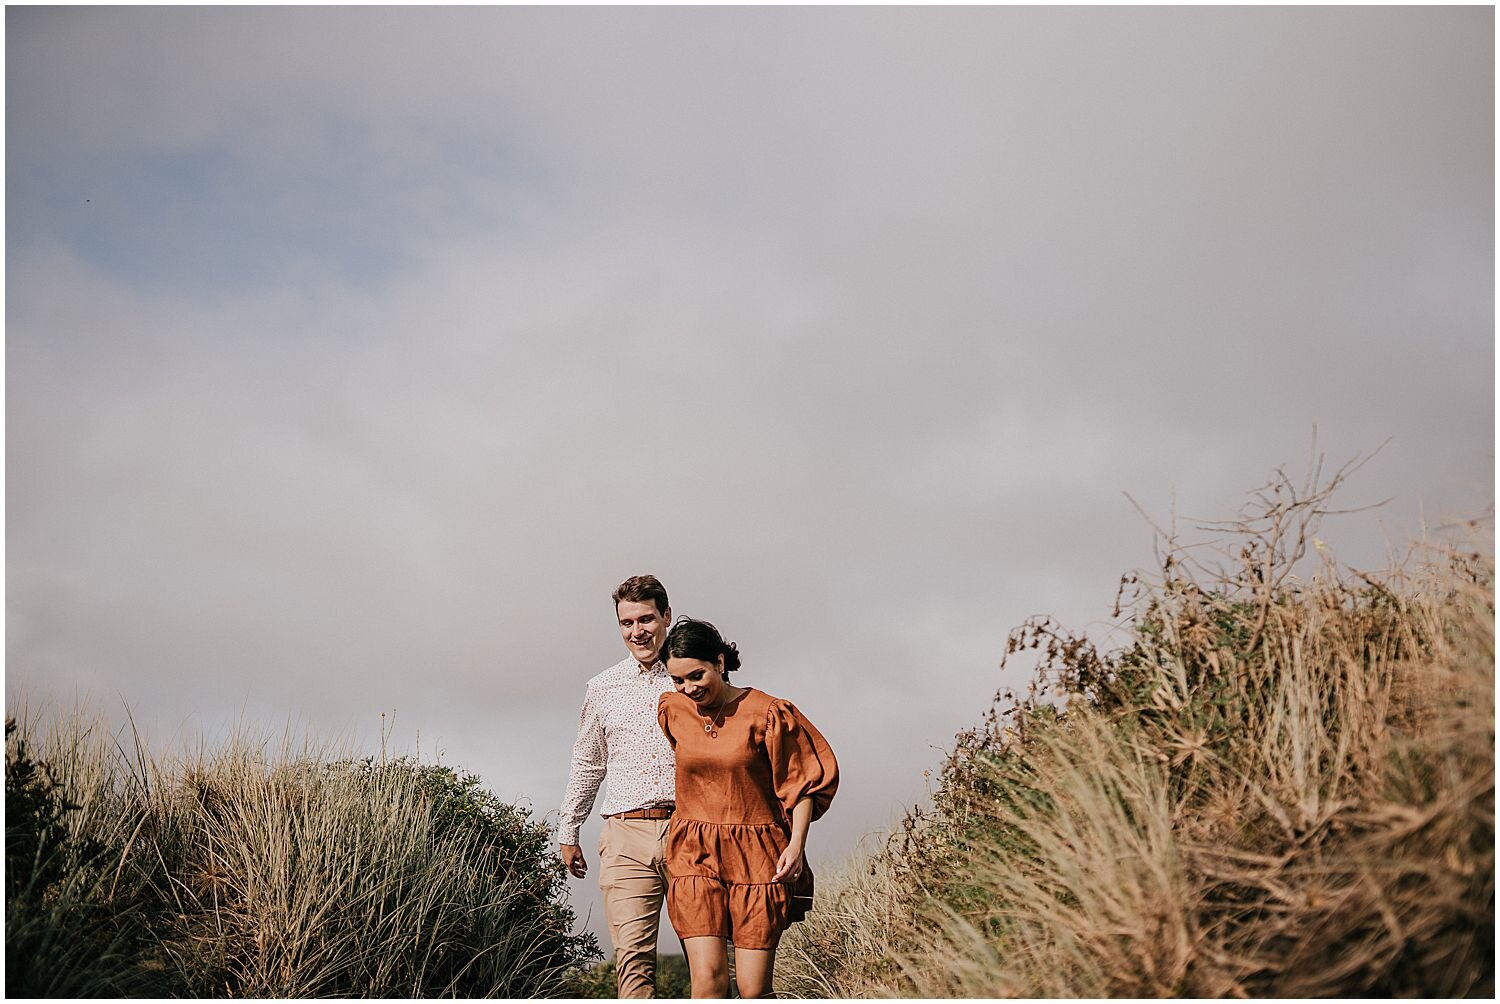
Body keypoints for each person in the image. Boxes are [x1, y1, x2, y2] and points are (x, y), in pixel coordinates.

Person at [656, 617, 839, 999]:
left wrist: (797, 845)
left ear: (719, 663)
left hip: (757, 854)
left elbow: (802, 784)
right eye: (678, 680)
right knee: (707, 981)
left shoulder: (768, 713)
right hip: (694, 851)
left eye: (696, 675)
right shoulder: (673, 709)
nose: (688, 688)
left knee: (753, 990)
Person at [559, 575, 678, 999]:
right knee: (633, 961)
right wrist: (568, 830)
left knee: (710, 957)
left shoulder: (695, 675)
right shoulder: (603, 687)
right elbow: (588, 762)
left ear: (666, 617)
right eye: (627, 623)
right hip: (626, 833)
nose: (637, 631)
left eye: (646, 619)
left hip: (693, 829)